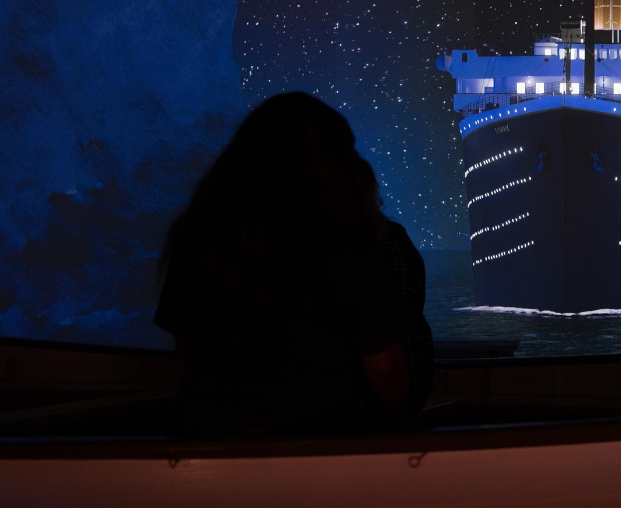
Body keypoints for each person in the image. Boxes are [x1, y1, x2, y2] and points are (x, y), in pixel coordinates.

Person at [154, 92, 433, 434]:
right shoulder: (345, 240)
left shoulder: (201, 232)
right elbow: (385, 366)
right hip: (316, 434)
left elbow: (186, 347)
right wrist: (398, 419)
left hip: (203, 429)